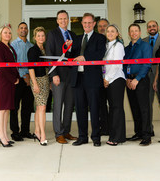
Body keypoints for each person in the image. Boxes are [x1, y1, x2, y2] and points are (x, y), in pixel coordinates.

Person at [71, 13, 106, 147]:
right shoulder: (77, 38)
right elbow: (70, 56)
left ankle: (96, 137)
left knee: (95, 109)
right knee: (80, 109)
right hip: (78, 78)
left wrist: (84, 58)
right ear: (82, 24)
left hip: (92, 79)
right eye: (85, 23)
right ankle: (82, 137)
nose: (87, 25)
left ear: (94, 24)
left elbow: (99, 54)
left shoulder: (100, 38)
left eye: (89, 23)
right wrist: (68, 47)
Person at [45, 10, 77, 144]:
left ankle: (66, 131)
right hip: (58, 75)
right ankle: (58, 133)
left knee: (69, 105)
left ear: (68, 20)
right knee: (58, 105)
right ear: (57, 21)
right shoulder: (52, 34)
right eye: (60, 19)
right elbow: (49, 53)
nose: (63, 21)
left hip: (71, 75)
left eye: (65, 18)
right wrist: (53, 74)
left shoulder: (73, 34)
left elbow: (74, 54)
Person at [123, 24, 152, 146]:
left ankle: (146, 136)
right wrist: (127, 79)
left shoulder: (145, 46)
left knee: (144, 109)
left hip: (141, 80)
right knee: (134, 108)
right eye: (131, 31)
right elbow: (123, 64)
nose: (134, 33)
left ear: (140, 32)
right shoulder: (127, 48)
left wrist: (137, 79)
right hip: (129, 81)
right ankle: (138, 133)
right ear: (129, 34)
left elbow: (146, 64)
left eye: (136, 31)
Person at [0, 25, 19, 148]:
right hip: (4, 80)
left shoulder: (11, 47)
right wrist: (13, 79)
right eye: (5, 32)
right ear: (0, 34)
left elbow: (14, 65)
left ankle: (4, 135)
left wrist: (17, 77)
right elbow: (2, 66)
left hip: (11, 81)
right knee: (1, 109)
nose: (7, 34)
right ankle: (1, 136)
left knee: (7, 109)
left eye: (9, 32)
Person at [143, 20, 160, 136]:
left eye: (153, 26)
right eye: (149, 27)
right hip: (146, 75)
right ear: (147, 29)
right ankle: (149, 130)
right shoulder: (143, 41)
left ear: (157, 27)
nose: (151, 28)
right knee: (147, 104)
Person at [10, 22, 34, 141]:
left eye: (25, 28)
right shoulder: (13, 45)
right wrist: (23, 75)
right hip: (17, 80)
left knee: (27, 107)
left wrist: (29, 77)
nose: (23, 30)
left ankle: (25, 131)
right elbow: (13, 63)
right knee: (14, 107)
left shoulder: (31, 45)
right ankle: (15, 132)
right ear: (17, 30)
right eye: (21, 28)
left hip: (30, 80)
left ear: (28, 30)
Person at [103, 24, 126, 146]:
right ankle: (115, 135)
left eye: (113, 31)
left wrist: (107, 78)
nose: (110, 33)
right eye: (108, 31)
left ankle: (117, 137)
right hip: (108, 80)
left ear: (117, 33)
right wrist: (104, 78)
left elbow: (116, 64)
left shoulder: (119, 46)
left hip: (116, 79)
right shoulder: (107, 45)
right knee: (112, 108)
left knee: (117, 108)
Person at [28, 27, 50, 146]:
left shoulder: (45, 49)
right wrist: (35, 84)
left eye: (43, 35)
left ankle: (37, 131)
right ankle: (43, 135)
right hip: (37, 80)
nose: (41, 38)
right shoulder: (32, 50)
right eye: (39, 36)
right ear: (35, 37)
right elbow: (30, 68)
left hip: (45, 79)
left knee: (39, 107)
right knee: (42, 107)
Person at [97, 18, 110, 135]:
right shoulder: (96, 40)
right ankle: (105, 128)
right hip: (99, 77)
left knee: (113, 103)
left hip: (111, 78)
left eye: (104, 26)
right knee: (101, 104)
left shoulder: (114, 41)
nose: (102, 28)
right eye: (100, 26)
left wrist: (108, 77)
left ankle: (113, 127)